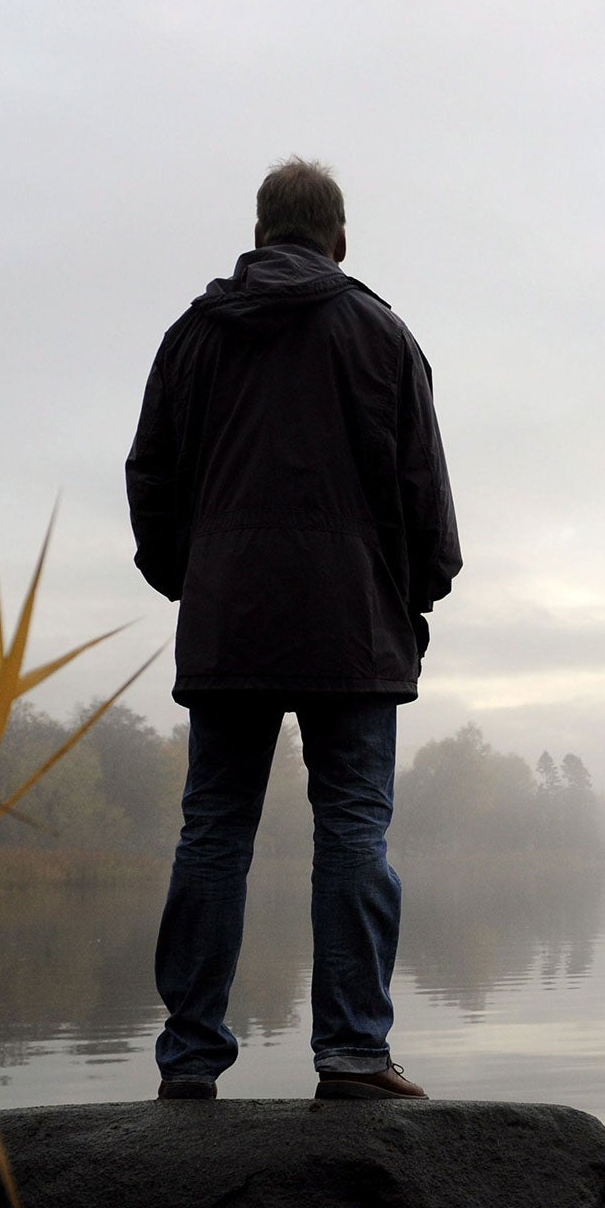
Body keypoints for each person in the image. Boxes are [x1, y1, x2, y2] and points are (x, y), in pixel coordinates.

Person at [126, 158, 460, 1103]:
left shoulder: (193, 337)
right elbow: (424, 492)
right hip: (352, 624)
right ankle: (354, 1054)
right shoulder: (381, 333)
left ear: (262, 230)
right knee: (354, 828)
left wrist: (192, 577)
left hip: (229, 619)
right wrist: (416, 595)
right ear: (339, 237)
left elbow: (150, 474)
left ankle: (190, 1059)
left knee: (213, 832)